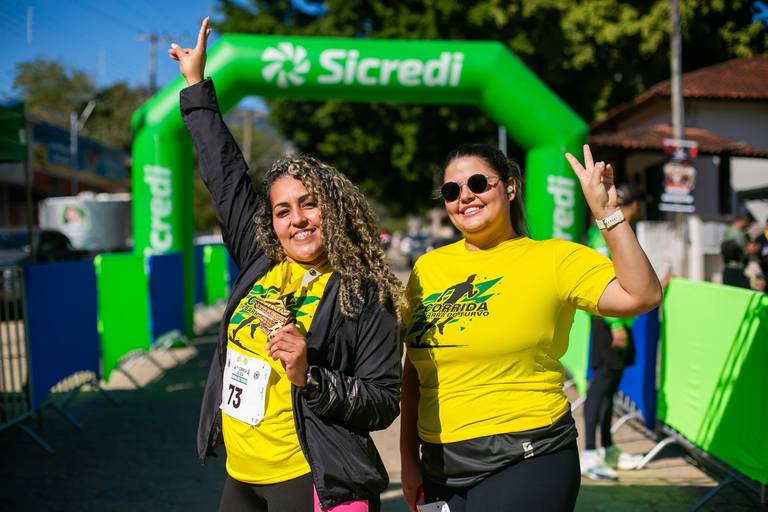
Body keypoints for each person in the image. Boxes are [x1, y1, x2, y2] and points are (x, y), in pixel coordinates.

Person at [169, 18, 402, 512]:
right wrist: (196, 86)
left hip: (307, 477)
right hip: (241, 475)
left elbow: (382, 402)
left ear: (333, 209)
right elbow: (225, 177)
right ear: (270, 221)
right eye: (282, 210)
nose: (297, 219)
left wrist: (309, 376)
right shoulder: (260, 261)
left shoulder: (363, 293)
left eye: (309, 204)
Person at [400, 143, 662, 511]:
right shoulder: (428, 268)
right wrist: (408, 459)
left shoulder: (554, 259)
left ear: (510, 187)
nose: (465, 196)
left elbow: (643, 295)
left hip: (527, 455)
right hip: (440, 465)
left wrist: (607, 213)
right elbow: (415, 370)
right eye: (451, 190)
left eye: (478, 183)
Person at [580, 184, 645, 480]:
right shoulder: (602, 233)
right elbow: (604, 279)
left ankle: (607, 448)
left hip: (618, 320)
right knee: (600, 387)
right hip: (608, 320)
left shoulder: (616, 230)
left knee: (610, 388)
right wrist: (617, 326)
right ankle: (589, 453)